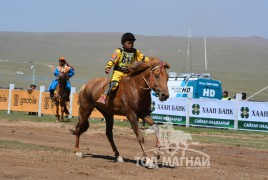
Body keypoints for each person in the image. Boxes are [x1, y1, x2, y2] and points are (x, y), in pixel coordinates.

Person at [97, 32, 150, 104]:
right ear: (123, 43)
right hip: (119, 72)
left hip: (129, 72)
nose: (131, 45)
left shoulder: (135, 51)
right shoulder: (119, 51)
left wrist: (153, 61)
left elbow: (143, 58)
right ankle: (104, 96)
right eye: (128, 43)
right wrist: (108, 67)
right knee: (114, 84)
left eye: (132, 43)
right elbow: (113, 59)